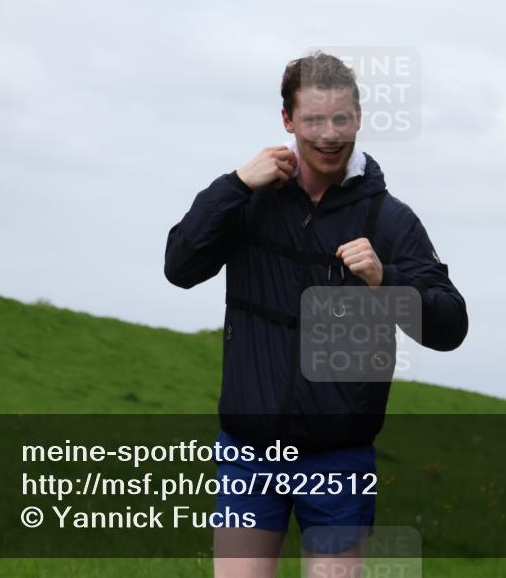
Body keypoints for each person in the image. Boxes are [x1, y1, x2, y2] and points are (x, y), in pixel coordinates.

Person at [165, 51, 468, 578]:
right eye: (313, 120)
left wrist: (385, 281)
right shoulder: (251, 199)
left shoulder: (389, 220)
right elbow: (180, 266)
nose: (329, 135)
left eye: (341, 119)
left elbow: (450, 325)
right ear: (288, 120)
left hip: (339, 458)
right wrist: (235, 185)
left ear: (358, 118)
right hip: (249, 453)